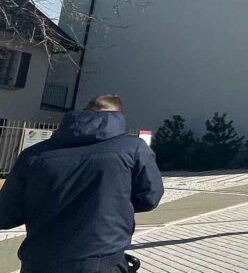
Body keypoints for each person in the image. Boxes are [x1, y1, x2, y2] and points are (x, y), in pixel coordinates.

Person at [0, 93, 163, 273]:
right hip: (102, 260)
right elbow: (150, 198)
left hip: (41, 261)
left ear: (85, 112)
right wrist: (115, 202)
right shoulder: (133, 148)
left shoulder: (34, 154)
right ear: (118, 116)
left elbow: (6, 214)